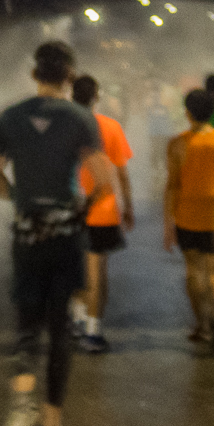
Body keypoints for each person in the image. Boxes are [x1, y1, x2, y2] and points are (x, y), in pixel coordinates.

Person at [0, 41, 113, 426]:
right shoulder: (81, 119)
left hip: (26, 233)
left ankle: (21, 401)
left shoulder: (10, 118)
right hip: (66, 234)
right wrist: (80, 207)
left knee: (26, 323)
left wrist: (20, 196)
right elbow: (104, 179)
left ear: (34, 75)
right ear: (70, 76)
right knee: (59, 329)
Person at [69, 74, 134, 353]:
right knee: (97, 271)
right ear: (96, 96)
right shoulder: (111, 127)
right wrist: (129, 206)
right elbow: (121, 172)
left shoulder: (64, 127)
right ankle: (93, 331)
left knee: (73, 266)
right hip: (103, 209)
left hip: (69, 208)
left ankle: (77, 318)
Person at [164, 89, 214, 345]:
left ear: (187, 113)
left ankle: (201, 324)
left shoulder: (177, 144)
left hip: (187, 215)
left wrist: (168, 223)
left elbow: (173, 185)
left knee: (193, 270)